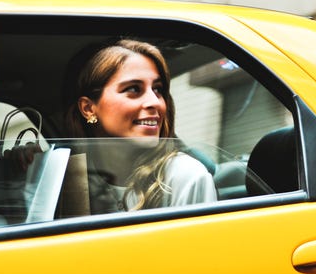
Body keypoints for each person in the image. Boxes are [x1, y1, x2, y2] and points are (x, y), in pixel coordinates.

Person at [60, 38, 217, 212]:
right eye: (133, 89)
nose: (155, 102)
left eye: (157, 89)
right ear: (89, 108)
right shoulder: (66, 176)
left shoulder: (184, 176)